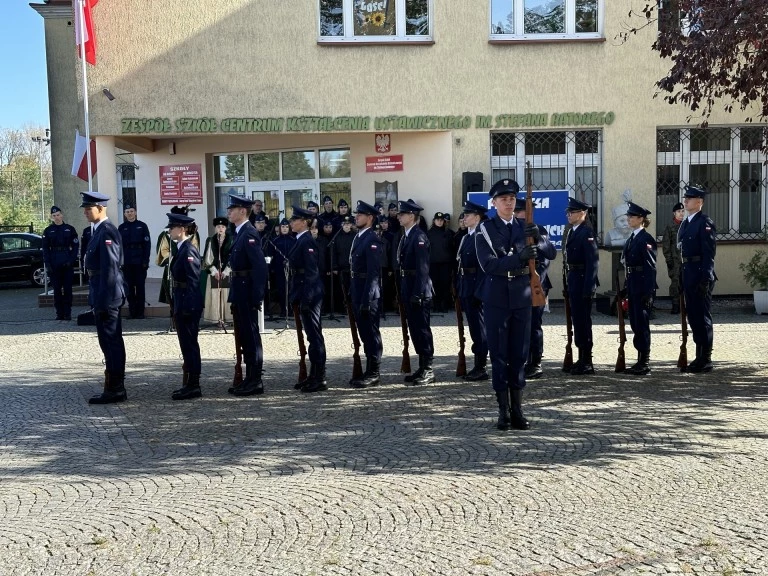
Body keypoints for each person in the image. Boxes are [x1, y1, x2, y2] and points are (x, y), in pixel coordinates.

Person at [475, 179, 539, 431]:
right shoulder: (486, 229)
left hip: (522, 296)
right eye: (503, 199)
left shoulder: (525, 226)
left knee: (519, 353)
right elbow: (488, 265)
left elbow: (548, 253)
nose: (509, 202)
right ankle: (503, 410)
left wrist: (538, 240)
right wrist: (518, 258)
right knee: (500, 354)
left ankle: (518, 409)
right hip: (497, 297)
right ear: (494, 203)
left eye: (512, 198)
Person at [81, 192, 127, 404]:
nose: (85, 212)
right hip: (100, 291)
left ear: (101, 208)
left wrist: (102, 300)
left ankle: (116, 388)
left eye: (89, 208)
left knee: (111, 342)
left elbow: (109, 268)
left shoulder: (107, 231)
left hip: (107, 295)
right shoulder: (97, 231)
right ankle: (114, 385)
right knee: (107, 341)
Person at [227, 193, 268, 396]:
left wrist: (257, 296)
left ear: (243, 211)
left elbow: (259, 268)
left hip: (247, 292)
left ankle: (255, 379)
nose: (229, 212)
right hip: (240, 291)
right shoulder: (239, 232)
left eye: (232, 209)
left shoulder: (249, 233)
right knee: (244, 336)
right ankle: (249, 377)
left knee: (251, 336)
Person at [513, 197, 557, 379]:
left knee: (533, 325)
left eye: (520, 212)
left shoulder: (539, 230)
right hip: (517, 284)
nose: (516, 215)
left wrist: (537, 237)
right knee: (518, 325)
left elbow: (549, 255)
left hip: (535, 284)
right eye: (515, 212)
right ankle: (520, 359)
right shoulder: (513, 230)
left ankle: (535, 361)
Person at [288, 206, 328, 393]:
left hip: (310, 293)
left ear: (304, 222)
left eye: (294, 220)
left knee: (314, 336)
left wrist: (307, 297)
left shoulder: (307, 242)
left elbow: (311, 273)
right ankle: (313, 375)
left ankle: (319, 377)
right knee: (310, 336)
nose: (291, 223)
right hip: (303, 291)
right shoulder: (300, 240)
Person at [678, 184, 717, 373]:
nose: (685, 200)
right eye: (685, 197)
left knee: (702, 316)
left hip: (700, 274)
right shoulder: (687, 223)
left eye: (690, 198)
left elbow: (709, 253)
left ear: (699, 202)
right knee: (693, 316)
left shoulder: (704, 222)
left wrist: (706, 277)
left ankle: (706, 358)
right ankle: (698, 355)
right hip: (689, 272)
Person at [396, 199, 435, 385]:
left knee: (422, 329)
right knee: (414, 329)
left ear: (412, 216)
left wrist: (418, 293)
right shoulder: (407, 235)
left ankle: (428, 368)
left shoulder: (418, 237)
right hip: (409, 285)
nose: (399, 217)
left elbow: (423, 268)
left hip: (418, 289)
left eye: (402, 214)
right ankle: (421, 367)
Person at [167, 211, 205, 400]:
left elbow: (193, 281)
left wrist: (189, 307)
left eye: (172, 227)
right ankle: (190, 382)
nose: (169, 231)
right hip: (182, 301)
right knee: (186, 343)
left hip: (188, 304)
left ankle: (194, 384)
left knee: (190, 344)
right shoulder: (181, 248)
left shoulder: (188, 250)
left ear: (182, 229)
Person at [349, 201, 384, 388]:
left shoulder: (372, 239)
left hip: (367, 293)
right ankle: (368, 370)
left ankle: (374, 372)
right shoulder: (360, 237)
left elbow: (373, 273)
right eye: (357, 214)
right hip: (357, 289)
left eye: (360, 214)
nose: (356, 217)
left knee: (371, 333)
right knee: (364, 333)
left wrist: (367, 298)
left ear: (370, 218)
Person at [563, 197, 600, 376]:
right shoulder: (572, 231)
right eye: (568, 212)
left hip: (583, 280)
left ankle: (587, 360)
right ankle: (581, 357)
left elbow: (592, 262)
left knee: (583, 321)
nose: (569, 215)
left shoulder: (586, 233)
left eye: (572, 212)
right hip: (574, 280)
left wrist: (589, 287)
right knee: (577, 321)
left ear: (583, 213)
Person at [621, 202, 657, 376]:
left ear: (641, 219)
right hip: (633, 284)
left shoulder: (646, 239)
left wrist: (649, 292)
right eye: (628, 216)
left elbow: (650, 267)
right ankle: (639, 359)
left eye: (632, 216)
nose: (628, 219)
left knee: (642, 323)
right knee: (635, 322)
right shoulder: (632, 238)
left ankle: (645, 361)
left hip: (642, 285)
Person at [455, 201, 489, 382]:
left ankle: (481, 365)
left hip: (477, 288)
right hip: (466, 286)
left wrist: (480, 291)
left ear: (477, 217)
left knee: (479, 328)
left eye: (467, 215)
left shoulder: (481, 236)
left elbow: (485, 267)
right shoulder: (467, 236)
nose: (464, 218)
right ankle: (478, 364)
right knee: (474, 327)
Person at [42, 206, 79, 320]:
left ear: (62, 215)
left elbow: (75, 246)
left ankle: (68, 313)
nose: (56, 217)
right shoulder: (48, 231)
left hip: (66, 260)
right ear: (51, 217)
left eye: (58, 215)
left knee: (68, 289)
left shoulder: (70, 229)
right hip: (54, 262)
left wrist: (71, 261)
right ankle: (59, 313)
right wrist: (47, 264)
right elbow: (45, 249)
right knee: (57, 290)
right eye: (54, 216)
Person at [118, 203, 151, 319]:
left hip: (139, 260)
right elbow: (118, 247)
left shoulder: (142, 226)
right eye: (127, 212)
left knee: (140, 287)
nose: (129, 213)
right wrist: (120, 261)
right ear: (124, 214)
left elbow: (147, 245)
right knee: (129, 287)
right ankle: (132, 312)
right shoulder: (121, 228)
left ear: (135, 212)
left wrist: (145, 260)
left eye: (131, 211)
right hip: (127, 261)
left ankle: (141, 312)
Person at [201, 216, 233, 324]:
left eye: (223, 227)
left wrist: (226, 271)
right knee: (216, 295)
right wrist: (214, 271)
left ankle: (227, 318)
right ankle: (217, 319)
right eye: (218, 226)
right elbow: (207, 258)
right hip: (214, 272)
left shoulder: (231, 239)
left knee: (227, 295)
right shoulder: (211, 240)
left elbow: (234, 256)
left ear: (226, 228)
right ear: (215, 228)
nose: (220, 229)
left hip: (227, 272)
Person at [427, 211, 455, 312]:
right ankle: (436, 305)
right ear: (434, 221)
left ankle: (444, 305)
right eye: (437, 220)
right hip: (433, 263)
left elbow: (452, 249)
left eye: (441, 220)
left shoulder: (448, 233)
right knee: (435, 285)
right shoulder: (429, 233)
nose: (439, 222)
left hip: (445, 264)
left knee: (445, 284)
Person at [267, 218, 295, 320]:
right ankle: (283, 310)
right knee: (281, 290)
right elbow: (271, 256)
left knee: (291, 289)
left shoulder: (293, 240)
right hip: (279, 270)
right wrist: (272, 268)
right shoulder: (275, 241)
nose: (284, 228)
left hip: (291, 270)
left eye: (286, 227)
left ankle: (291, 310)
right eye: (282, 227)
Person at [661, 202, 685, 315]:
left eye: (682, 211)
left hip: (685, 260)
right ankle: (675, 305)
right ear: (674, 213)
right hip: (675, 261)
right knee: (675, 283)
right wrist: (669, 260)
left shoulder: (686, 225)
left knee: (686, 282)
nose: (681, 213)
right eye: (679, 212)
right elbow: (666, 245)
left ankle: (685, 305)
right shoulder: (670, 227)